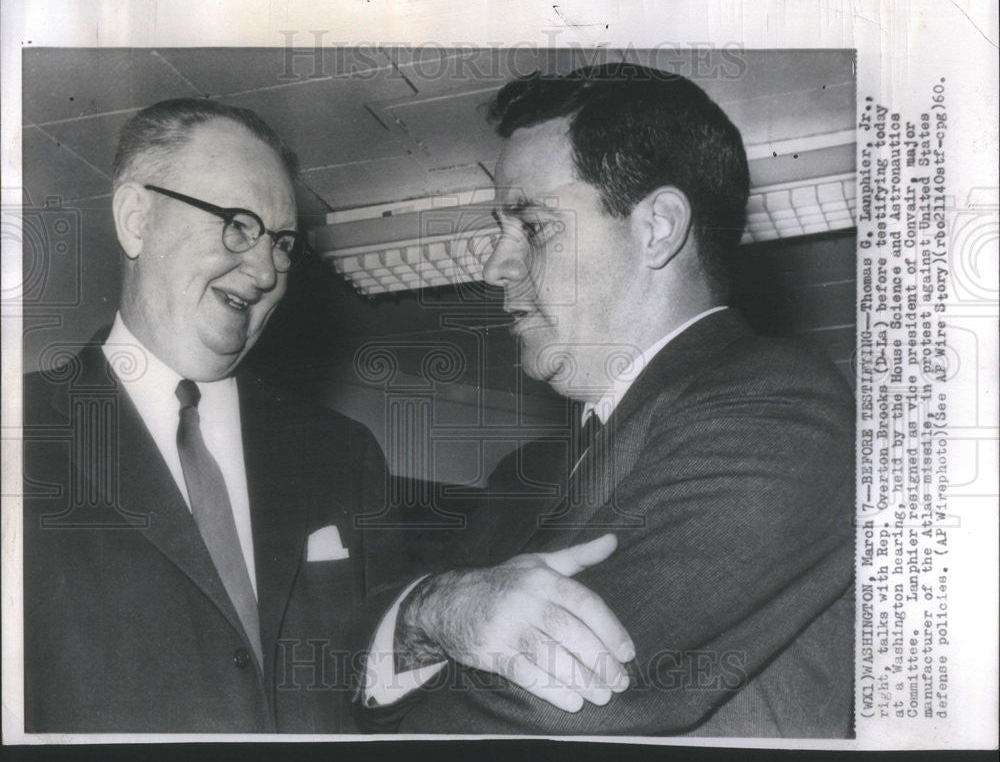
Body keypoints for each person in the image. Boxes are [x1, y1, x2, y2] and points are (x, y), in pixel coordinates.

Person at [361, 63, 855, 737]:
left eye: (532, 226)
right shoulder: (516, 482)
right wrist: (433, 608)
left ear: (658, 228)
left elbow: (585, 691)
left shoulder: (780, 405)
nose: (494, 268)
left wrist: (419, 633)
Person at [21, 99, 390, 733]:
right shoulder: (18, 436)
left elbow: (381, 682)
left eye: (281, 243)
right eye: (238, 224)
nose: (267, 268)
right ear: (137, 220)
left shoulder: (339, 453)